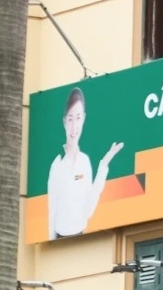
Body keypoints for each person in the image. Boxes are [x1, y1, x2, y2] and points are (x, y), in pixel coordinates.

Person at [47, 88, 123, 239]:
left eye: (78, 118)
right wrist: (51, 243)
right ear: (64, 122)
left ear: (83, 119)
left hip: (81, 238)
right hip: (59, 240)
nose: (74, 126)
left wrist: (103, 165)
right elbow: (52, 211)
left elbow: (87, 211)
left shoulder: (84, 161)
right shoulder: (57, 164)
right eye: (70, 119)